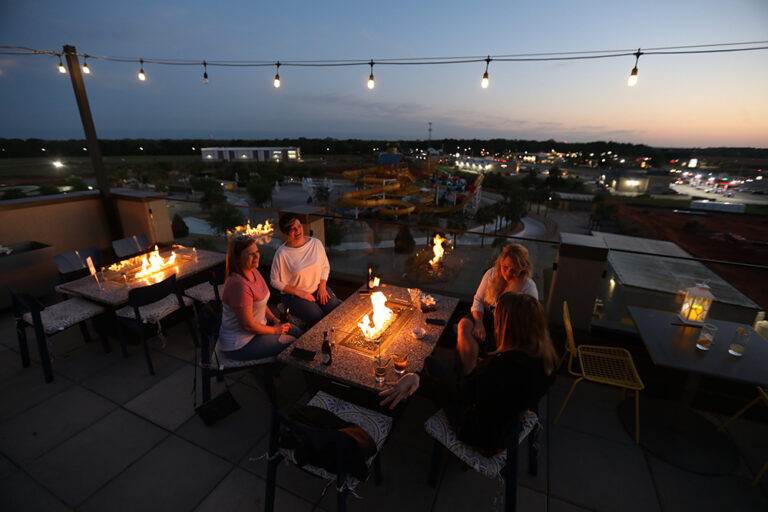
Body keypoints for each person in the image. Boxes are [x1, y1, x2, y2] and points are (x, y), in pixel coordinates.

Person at [379, 292, 557, 454]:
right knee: (445, 369)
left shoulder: (500, 368)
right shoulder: (548, 360)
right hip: (507, 421)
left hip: (477, 432)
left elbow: (458, 395)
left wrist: (417, 379)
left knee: (430, 363)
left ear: (509, 327)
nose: (494, 319)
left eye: (497, 315)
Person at [456, 243, 538, 375]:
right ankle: (468, 374)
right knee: (464, 325)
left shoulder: (528, 288)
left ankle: (476, 379)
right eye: (505, 267)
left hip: (508, 328)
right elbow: (478, 300)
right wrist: (478, 323)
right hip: (488, 318)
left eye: (513, 270)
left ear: (522, 269)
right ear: (500, 262)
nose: (508, 273)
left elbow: (530, 322)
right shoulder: (492, 274)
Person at [218, 236, 302, 360]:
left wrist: (274, 320)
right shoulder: (238, 285)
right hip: (241, 342)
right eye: (251, 254)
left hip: (257, 330)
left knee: (296, 332)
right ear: (237, 259)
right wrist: (274, 331)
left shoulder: (253, 271)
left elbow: (260, 303)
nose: (257, 256)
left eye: (257, 252)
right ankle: (266, 371)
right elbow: (247, 325)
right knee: (291, 343)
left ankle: (269, 366)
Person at [270, 214, 342, 326]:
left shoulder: (315, 244)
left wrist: (322, 287)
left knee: (336, 310)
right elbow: (274, 281)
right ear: (286, 232)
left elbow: (325, 266)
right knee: (319, 319)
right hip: (294, 295)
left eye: (299, 226)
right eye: (293, 229)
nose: (297, 230)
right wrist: (301, 293)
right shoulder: (282, 253)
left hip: (317, 288)